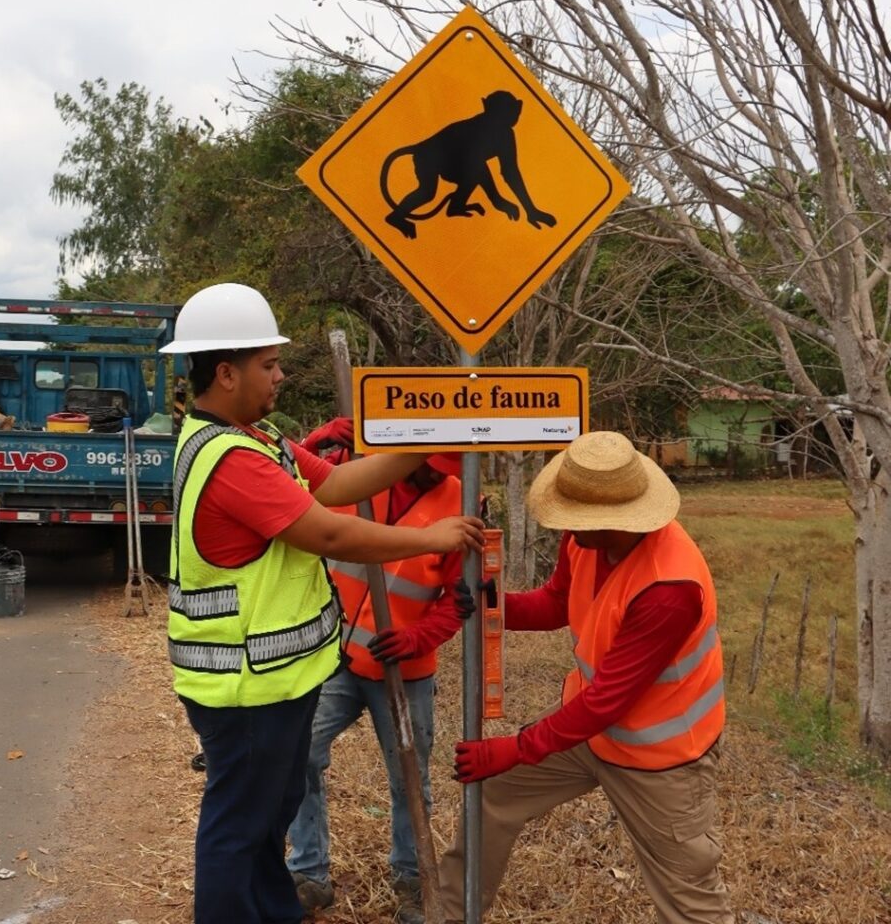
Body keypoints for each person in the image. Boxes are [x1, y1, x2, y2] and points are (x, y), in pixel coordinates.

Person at [159, 282, 485, 924]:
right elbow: (328, 530)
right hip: (245, 687)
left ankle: (274, 910)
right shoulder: (232, 460)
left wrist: (433, 434)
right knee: (238, 827)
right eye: (269, 364)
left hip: (276, 680)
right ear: (225, 373)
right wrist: (430, 536)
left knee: (266, 815)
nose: (281, 375)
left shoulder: (257, 439)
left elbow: (336, 482)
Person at [441, 430, 733, 924]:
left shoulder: (669, 588)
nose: (568, 529)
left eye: (577, 519)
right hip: (590, 736)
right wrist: (494, 605)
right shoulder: (585, 542)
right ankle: (449, 914)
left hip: (662, 762)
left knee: (689, 901)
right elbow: (557, 602)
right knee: (491, 798)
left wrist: (514, 747)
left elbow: (606, 701)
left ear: (617, 518)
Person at [286, 420, 475, 924]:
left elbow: (461, 601)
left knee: (409, 779)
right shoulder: (355, 476)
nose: (431, 478)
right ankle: (308, 873)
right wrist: (315, 442)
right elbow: (285, 483)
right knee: (299, 753)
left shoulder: (464, 501)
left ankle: (414, 883)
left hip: (404, 670)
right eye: (424, 469)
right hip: (333, 661)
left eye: (439, 472)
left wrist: (416, 638)